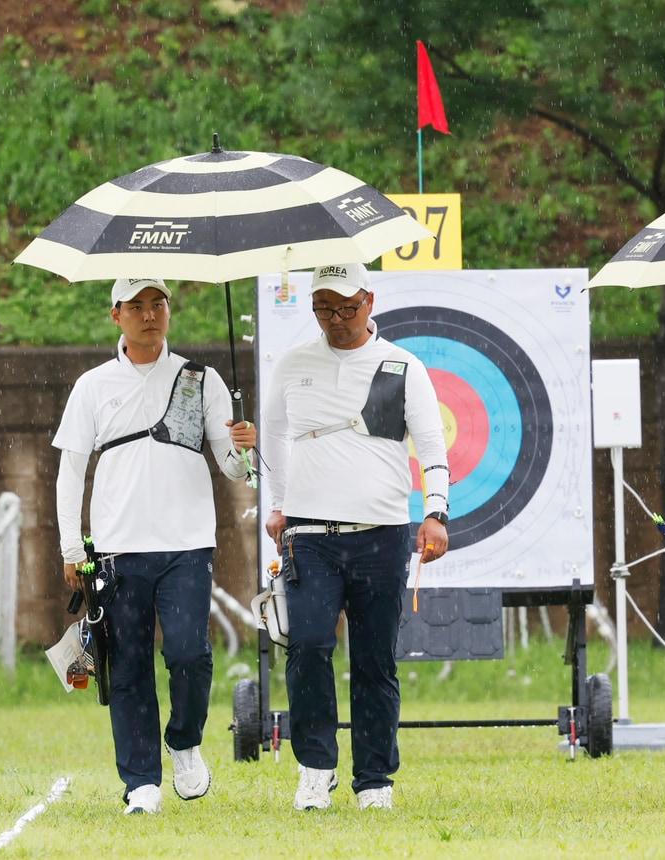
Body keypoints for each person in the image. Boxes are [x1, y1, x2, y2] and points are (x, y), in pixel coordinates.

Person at [53, 277, 256, 815]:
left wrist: (244, 447)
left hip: (188, 544)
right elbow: (70, 471)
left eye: (158, 304)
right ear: (115, 315)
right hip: (119, 548)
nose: (149, 314)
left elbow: (236, 471)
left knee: (189, 652)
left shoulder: (200, 378)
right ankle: (140, 781)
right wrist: (73, 548)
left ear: (170, 310)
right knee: (129, 666)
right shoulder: (92, 386)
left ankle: (184, 742)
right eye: (137, 306)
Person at [262, 262, 450, 811]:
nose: (336, 319)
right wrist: (276, 504)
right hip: (309, 534)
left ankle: (374, 780)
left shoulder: (403, 365)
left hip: (383, 532)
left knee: (373, 660)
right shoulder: (294, 364)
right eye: (323, 308)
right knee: (309, 647)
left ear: (369, 300)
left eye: (346, 307)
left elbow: (432, 445)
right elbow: (271, 434)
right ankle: (316, 769)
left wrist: (436, 512)